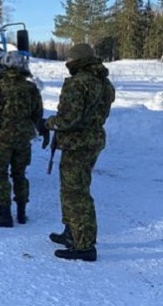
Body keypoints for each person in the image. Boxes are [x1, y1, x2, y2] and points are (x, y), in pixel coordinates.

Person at [45, 43, 115, 262]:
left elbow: (68, 119)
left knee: (76, 193)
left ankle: (84, 245)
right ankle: (71, 232)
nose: (67, 63)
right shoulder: (104, 83)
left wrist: (48, 123)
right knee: (74, 188)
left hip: (77, 144)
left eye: (69, 60)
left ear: (77, 61)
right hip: (92, 140)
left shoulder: (78, 83)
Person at [0, 51, 45, 228]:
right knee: (20, 174)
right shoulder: (31, 88)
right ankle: (21, 212)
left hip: (3, 139)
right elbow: (38, 114)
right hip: (23, 140)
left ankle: (4, 213)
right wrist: (40, 131)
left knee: (0, 175)